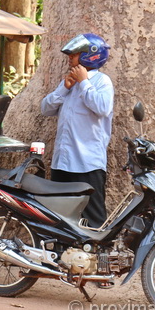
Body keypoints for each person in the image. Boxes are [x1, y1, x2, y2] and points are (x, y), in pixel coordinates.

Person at [41, 33, 114, 229]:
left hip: (87, 164)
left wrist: (84, 83)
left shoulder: (101, 81)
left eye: (74, 54)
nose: (69, 58)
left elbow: (102, 107)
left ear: (89, 55)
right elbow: (46, 109)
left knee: (94, 217)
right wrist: (64, 89)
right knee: (59, 217)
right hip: (63, 163)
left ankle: (97, 257)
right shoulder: (69, 82)